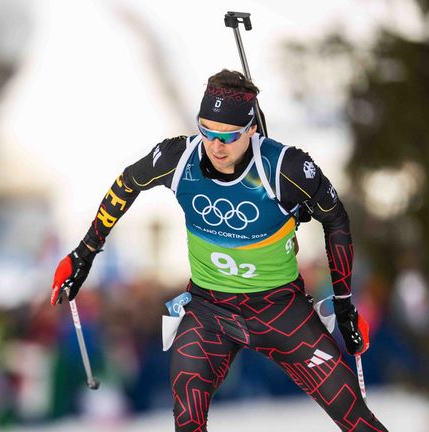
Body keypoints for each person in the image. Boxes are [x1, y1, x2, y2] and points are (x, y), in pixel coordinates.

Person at [50, 69, 388, 431]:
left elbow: (336, 220)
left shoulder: (284, 168)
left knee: (357, 420)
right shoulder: (180, 158)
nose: (215, 146)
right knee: (187, 420)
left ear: (252, 129)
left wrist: (343, 304)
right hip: (210, 310)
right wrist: (84, 253)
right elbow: (127, 184)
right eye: (206, 131)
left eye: (228, 136)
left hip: (281, 310)